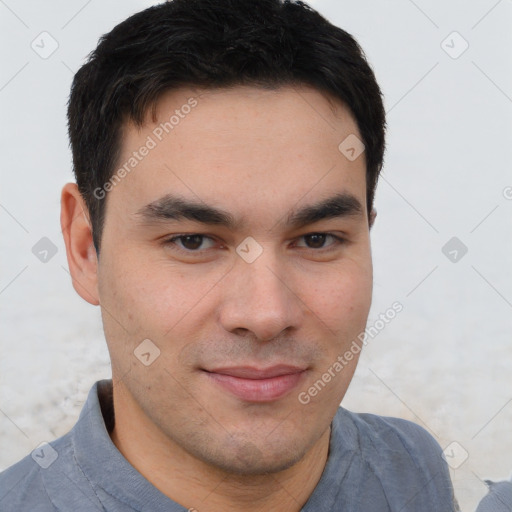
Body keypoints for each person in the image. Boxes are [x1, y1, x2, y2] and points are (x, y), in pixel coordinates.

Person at [0, 0, 460, 510]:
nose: (266, 315)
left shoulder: (434, 480)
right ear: (86, 249)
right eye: (193, 241)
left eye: (317, 239)